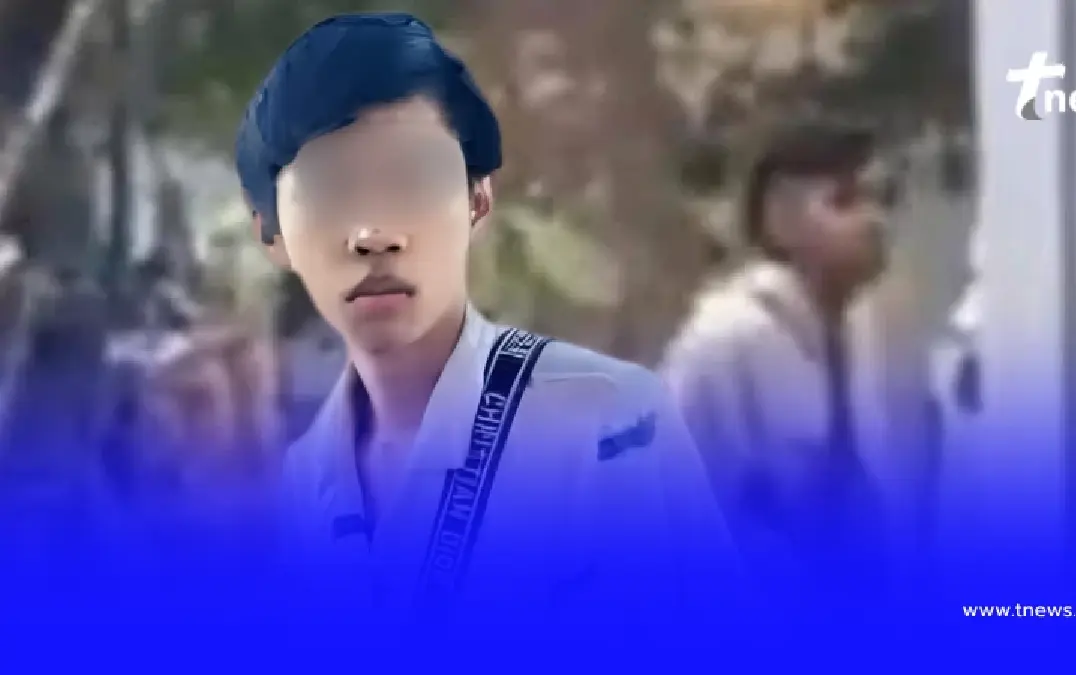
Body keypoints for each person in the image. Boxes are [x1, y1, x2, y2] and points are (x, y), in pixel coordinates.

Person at [234, 13, 739, 620]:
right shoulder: (309, 477)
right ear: (273, 236)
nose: (373, 234)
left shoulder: (609, 422)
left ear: (477, 202)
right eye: (328, 191)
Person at [659, 122, 939, 604]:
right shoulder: (727, 338)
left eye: (884, 198)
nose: (875, 220)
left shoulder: (861, 328)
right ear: (781, 220)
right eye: (845, 201)